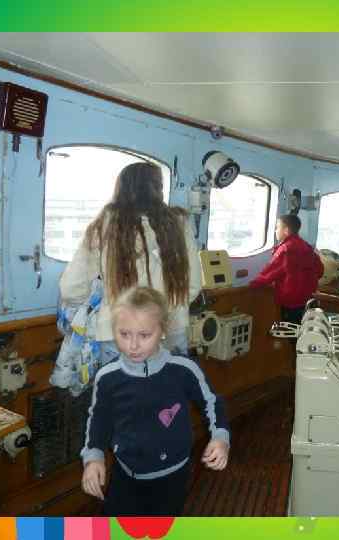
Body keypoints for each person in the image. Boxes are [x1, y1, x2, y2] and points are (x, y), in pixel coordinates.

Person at [81, 286, 229, 516]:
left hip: (173, 476)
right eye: (124, 334)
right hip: (125, 474)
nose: (133, 345)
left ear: (162, 331)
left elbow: (212, 402)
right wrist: (93, 457)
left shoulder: (184, 369)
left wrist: (220, 437)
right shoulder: (107, 377)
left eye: (144, 335)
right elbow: (99, 419)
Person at [60, 161, 201, 368]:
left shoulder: (104, 225)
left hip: (119, 332)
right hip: (169, 329)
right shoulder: (179, 223)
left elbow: (71, 288)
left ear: (121, 188)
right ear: (158, 189)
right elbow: (193, 285)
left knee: (121, 388)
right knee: (168, 388)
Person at [249, 214, 324, 324]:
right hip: (308, 299)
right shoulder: (307, 247)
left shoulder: (285, 249)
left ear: (286, 230)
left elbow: (269, 273)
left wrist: (252, 285)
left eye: (277, 227)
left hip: (291, 302)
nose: (275, 231)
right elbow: (320, 271)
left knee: (290, 330)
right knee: (303, 330)